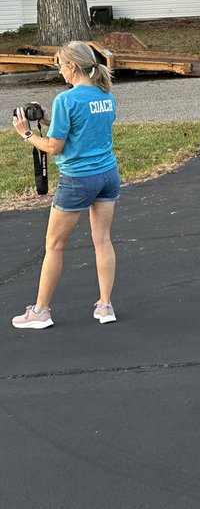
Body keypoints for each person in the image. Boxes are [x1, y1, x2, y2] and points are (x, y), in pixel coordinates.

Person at [11, 42, 120, 330]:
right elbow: (87, 128)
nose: (60, 70)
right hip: (107, 175)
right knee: (102, 241)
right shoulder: (105, 95)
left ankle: (41, 311)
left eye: (60, 65)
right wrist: (49, 117)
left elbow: (54, 147)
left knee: (55, 245)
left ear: (72, 66)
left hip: (78, 180)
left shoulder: (66, 100)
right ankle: (105, 306)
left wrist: (25, 134)